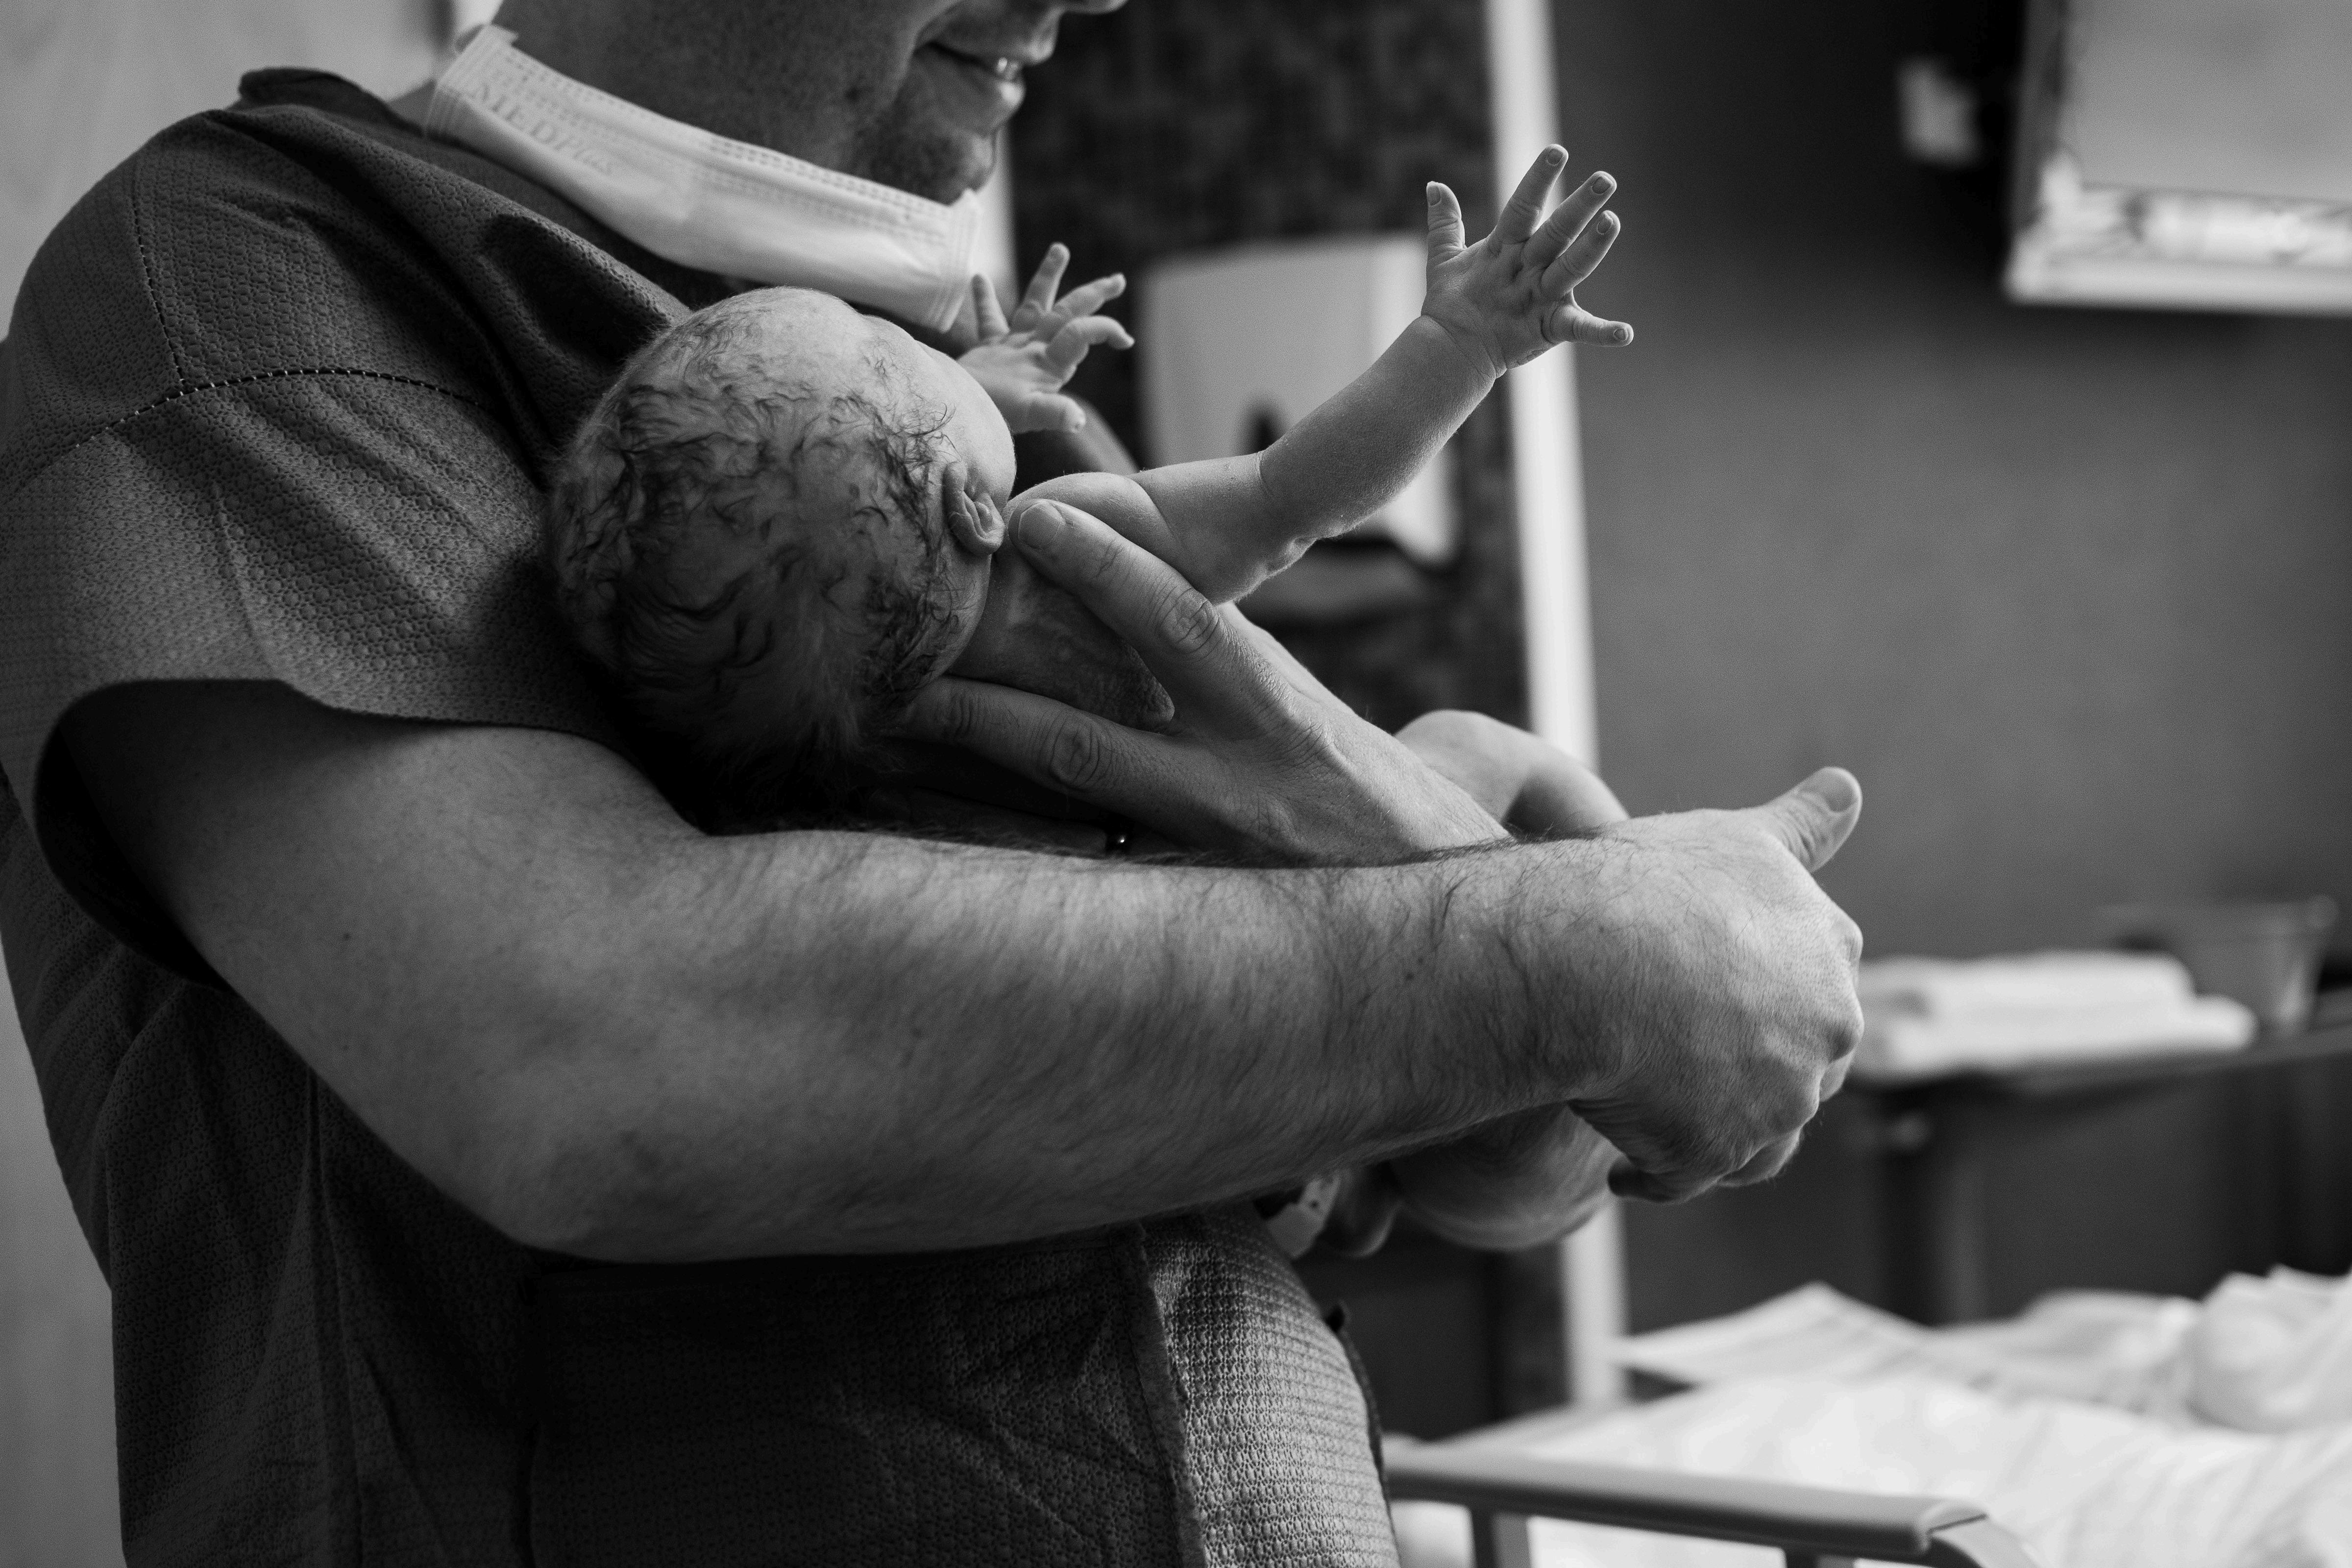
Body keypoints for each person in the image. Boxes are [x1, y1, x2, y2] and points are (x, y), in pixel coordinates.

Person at [0, 2, 1865, 1564]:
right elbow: (602, 1067)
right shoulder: (253, 278)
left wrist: (1483, 925)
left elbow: (1505, 1139)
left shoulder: (959, 409)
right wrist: (1569, 955)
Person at [542, 145, 1634, 828]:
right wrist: (1459, 346)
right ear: (978, 511)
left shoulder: (865, 755)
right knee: (1482, 749)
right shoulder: (1072, 549)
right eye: (900, 347)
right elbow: (1292, 497)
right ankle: (1636, 863)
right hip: (1346, 857)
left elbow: (872, 475)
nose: (939, 349)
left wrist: (971, 393)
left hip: (1209, 965)